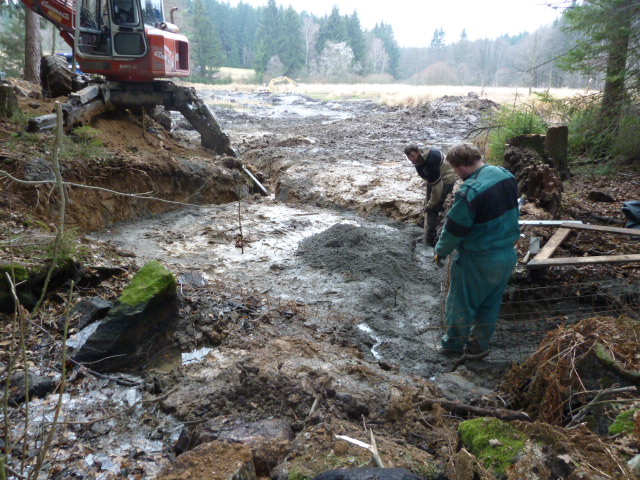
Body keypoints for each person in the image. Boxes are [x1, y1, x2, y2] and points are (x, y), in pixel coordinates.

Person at [433, 143, 520, 355]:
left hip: (479, 258)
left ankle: (452, 347)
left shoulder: (470, 191)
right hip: (507, 253)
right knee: (490, 304)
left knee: (460, 304)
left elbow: (455, 228)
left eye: (454, 169)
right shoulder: (504, 174)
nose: (456, 174)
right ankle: (478, 347)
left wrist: (441, 251)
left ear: (461, 166)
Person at [403, 144, 456, 246]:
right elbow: (429, 177)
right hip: (435, 177)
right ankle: (427, 224)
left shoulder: (430, 161)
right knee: (428, 202)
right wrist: (429, 180)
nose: (411, 159)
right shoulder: (419, 159)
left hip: (446, 179)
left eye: (412, 156)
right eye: (408, 157)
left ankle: (429, 238)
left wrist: (431, 204)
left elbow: (438, 187)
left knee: (432, 207)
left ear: (418, 152)